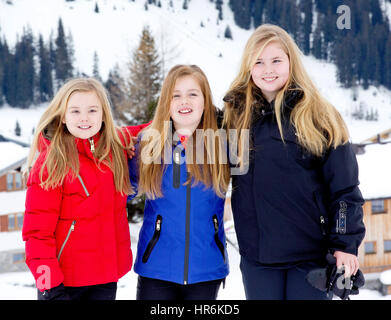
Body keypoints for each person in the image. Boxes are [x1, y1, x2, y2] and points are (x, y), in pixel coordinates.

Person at [222, 24, 366, 300]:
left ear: (291, 61)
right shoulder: (234, 117)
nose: (268, 69)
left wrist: (345, 244)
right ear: (248, 67)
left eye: (276, 60)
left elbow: (345, 190)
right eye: (259, 62)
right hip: (258, 258)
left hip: (310, 257)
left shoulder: (320, 116)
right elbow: (193, 142)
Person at [22, 78, 146, 300]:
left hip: (105, 280)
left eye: (92, 110)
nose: (84, 118)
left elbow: (151, 129)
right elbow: (36, 234)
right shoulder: (52, 161)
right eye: (76, 111)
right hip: (63, 286)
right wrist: (49, 287)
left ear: (103, 114)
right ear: (63, 117)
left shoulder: (114, 146)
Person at [129, 65, 230, 300]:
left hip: (206, 268)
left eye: (193, 94)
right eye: (176, 95)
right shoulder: (148, 144)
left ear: (205, 101)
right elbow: (117, 191)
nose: (184, 101)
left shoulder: (223, 145)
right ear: (167, 102)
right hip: (156, 268)